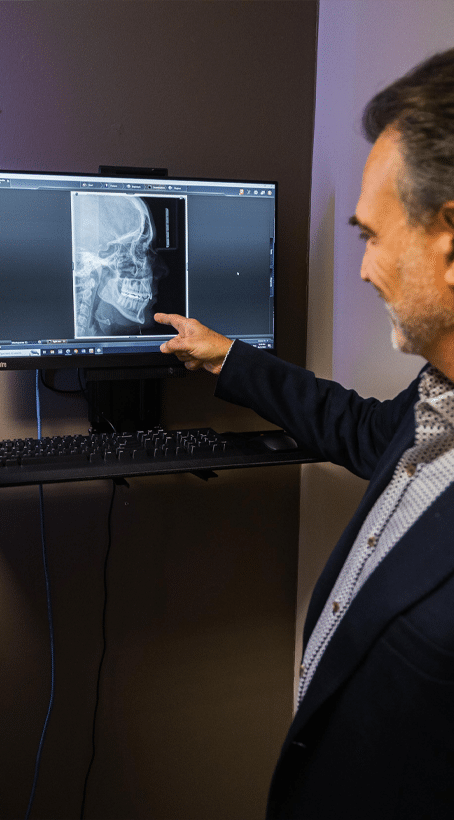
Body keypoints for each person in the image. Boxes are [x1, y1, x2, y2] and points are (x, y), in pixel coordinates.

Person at [156, 47, 454, 820]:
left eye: (371, 237)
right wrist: (229, 358)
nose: (363, 270)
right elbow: (359, 430)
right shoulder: (440, 400)